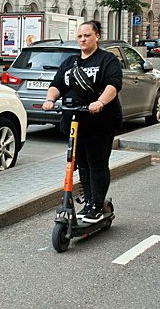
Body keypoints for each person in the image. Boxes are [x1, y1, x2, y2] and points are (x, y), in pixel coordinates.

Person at [42, 20, 123, 223]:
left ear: (97, 36)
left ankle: (97, 204)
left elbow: (113, 85)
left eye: (87, 35)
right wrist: (50, 99)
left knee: (97, 163)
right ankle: (88, 203)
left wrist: (99, 102)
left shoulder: (107, 60)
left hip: (100, 121)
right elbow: (56, 84)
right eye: (80, 36)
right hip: (75, 122)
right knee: (82, 164)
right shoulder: (70, 62)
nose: (83, 39)